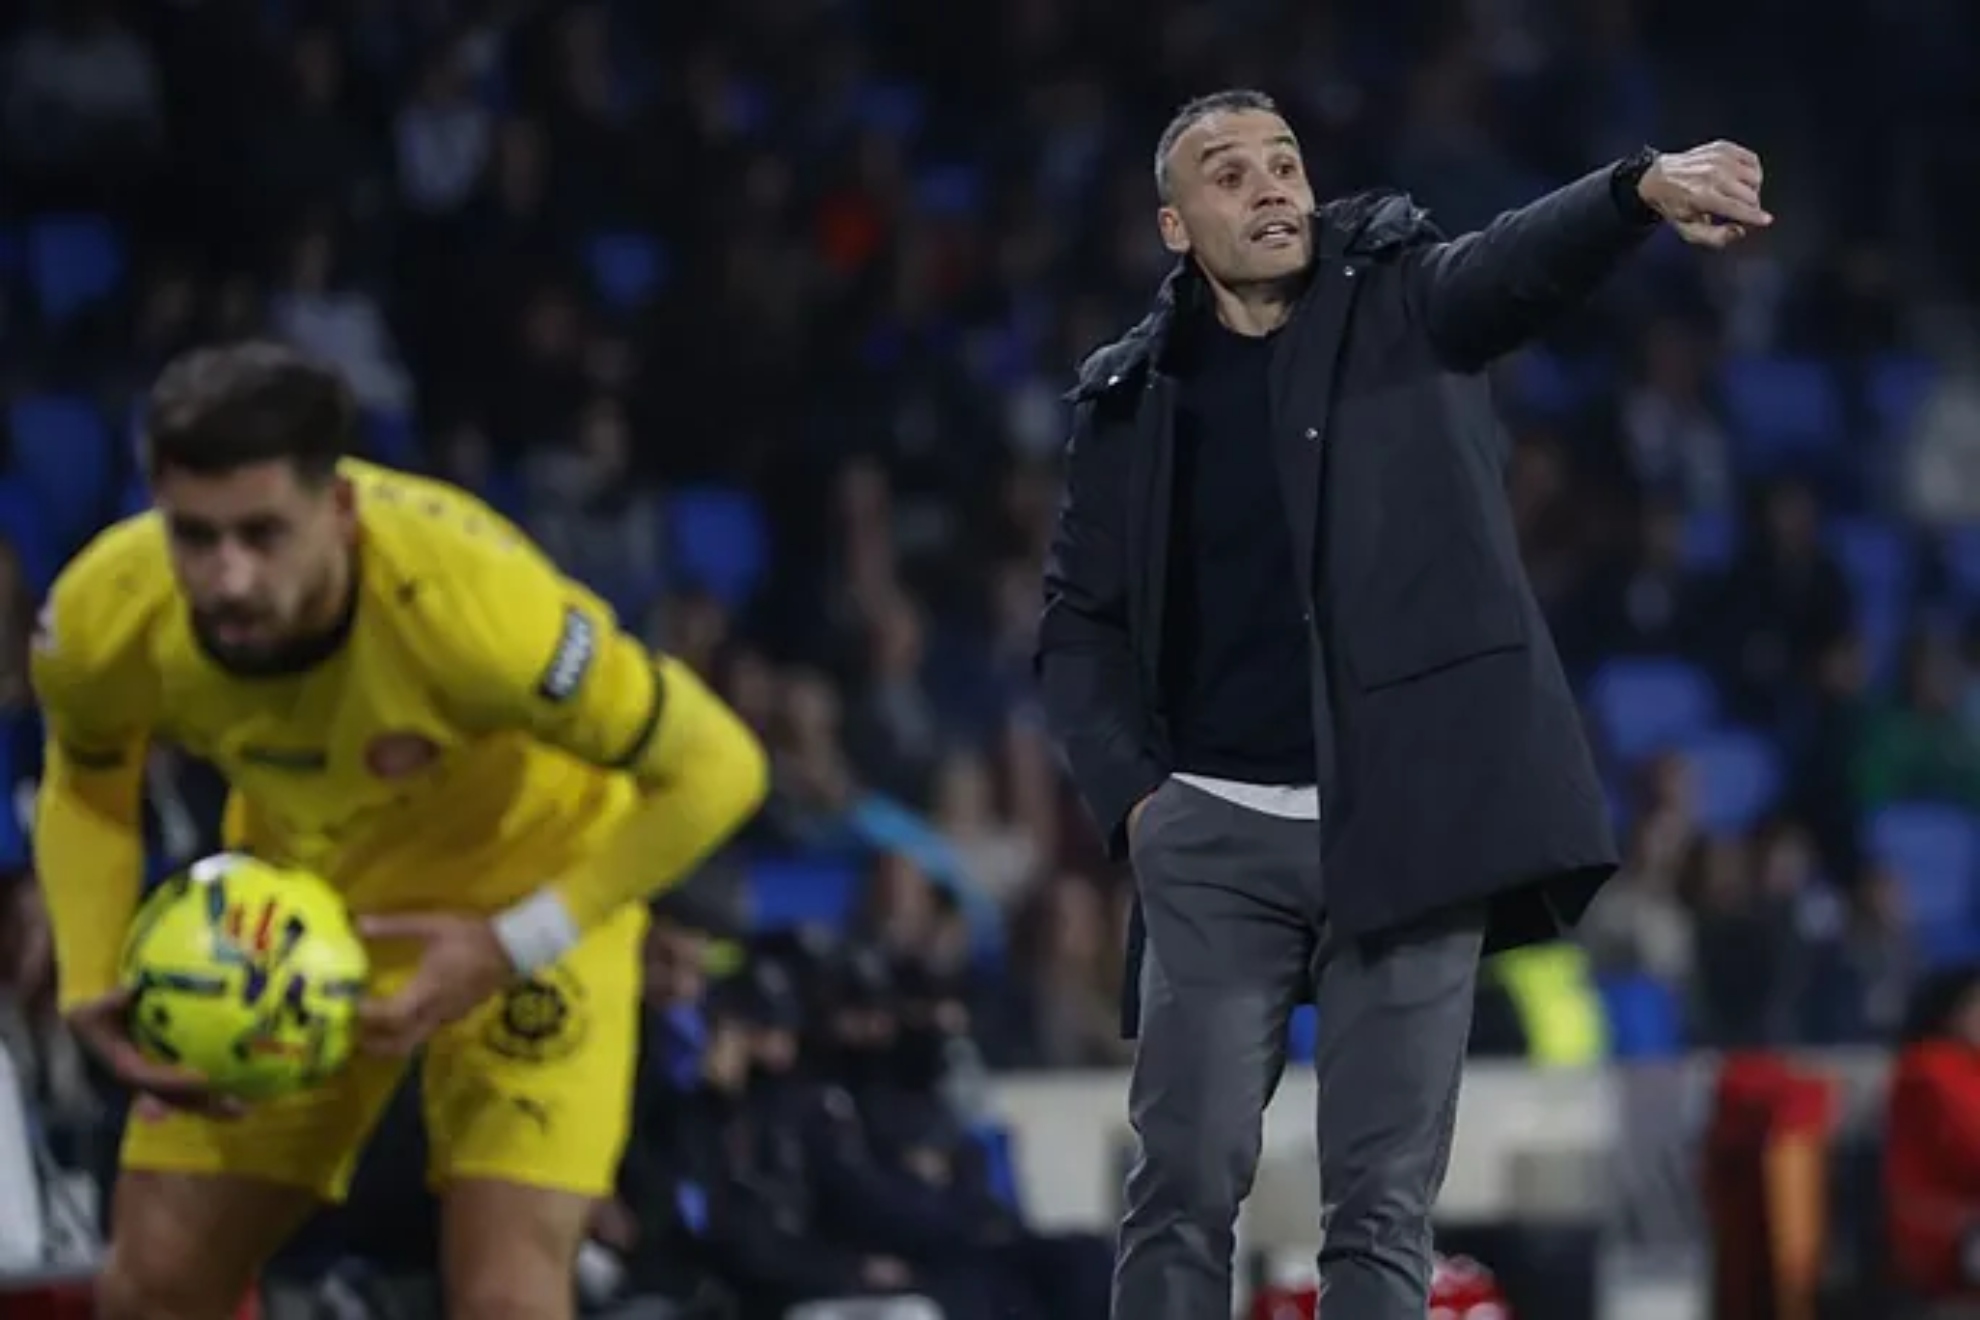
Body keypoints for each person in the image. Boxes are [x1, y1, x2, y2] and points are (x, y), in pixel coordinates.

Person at [1034, 88, 1770, 1319]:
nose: (1270, 186)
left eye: (1284, 162)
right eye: (1229, 173)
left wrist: (1635, 188)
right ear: (1175, 225)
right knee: (1183, 1179)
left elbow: (1512, 268)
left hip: (1411, 823)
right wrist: (1138, 804)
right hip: (1213, 828)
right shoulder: (1129, 400)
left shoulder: (1400, 298)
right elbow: (1078, 624)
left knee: (1379, 1207)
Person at [30, 342, 770, 1320]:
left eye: (262, 534)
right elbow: (87, 786)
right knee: (154, 1284)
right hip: (299, 923)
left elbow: (720, 767)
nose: (228, 578)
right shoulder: (103, 615)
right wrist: (89, 977)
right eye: (194, 537)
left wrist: (516, 940)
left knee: (506, 1299)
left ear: (338, 510)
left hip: (529, 904)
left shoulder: (477, 610)